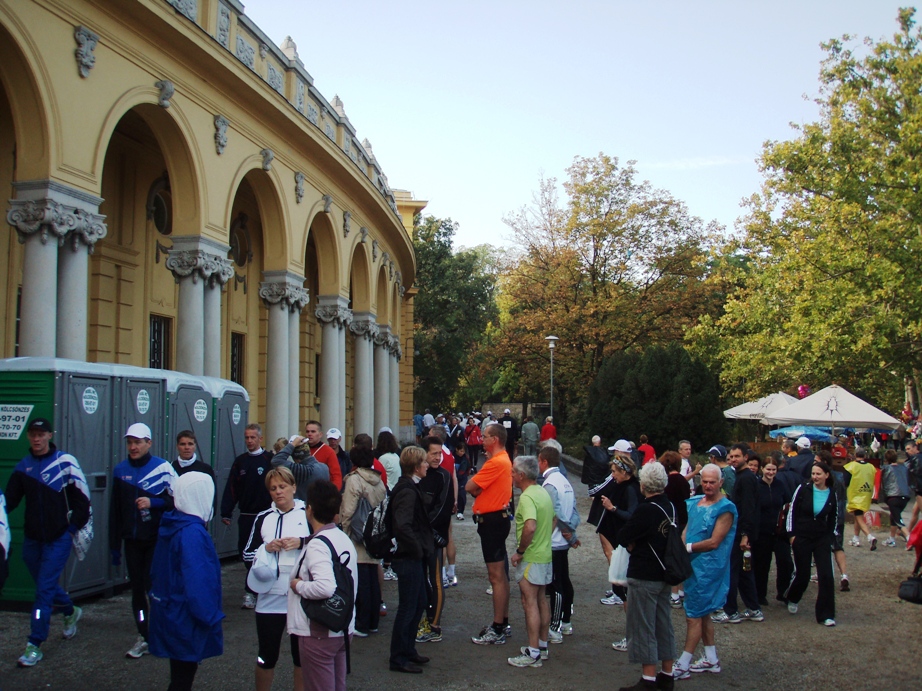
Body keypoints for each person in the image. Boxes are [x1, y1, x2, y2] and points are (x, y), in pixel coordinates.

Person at [5, 417, 90, 667]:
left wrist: (72, 529)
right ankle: (70, 611)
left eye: (41, 434)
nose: (37, 438)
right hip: (32, 539)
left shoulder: (65, 463)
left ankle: (34, 644)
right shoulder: (23, 467)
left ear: (50, 435)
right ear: (29, 437)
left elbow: (82, 500)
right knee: (46, 584)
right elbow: (9, 501)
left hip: (59, 537)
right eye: (33, 434)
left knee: (43, 589)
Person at [148, 471, 224, 691]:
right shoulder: (192, 533)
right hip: (186, 617)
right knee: (183, 677)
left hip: (170, 610)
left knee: (179, 673)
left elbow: (156, 571)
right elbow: (199, 580)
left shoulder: (173, 524)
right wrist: (210, 616)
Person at [111, 422, 178, 659]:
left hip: (156, 540)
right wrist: (114, 547)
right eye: (130, 442)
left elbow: (179, 501)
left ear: (149, 443)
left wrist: (155, 503)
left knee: (156, 590)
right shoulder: (120, 470)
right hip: (132, 541)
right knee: (137, 591)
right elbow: (115, 511)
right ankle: (144, 635)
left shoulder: (163, 469)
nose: (133, 447)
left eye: (138, 442)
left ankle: (161, 633)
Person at [242, 467, 310, 691]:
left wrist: (302, 542)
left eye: (282, 487)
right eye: (273, 489)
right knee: (266, 655)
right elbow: (246, 554)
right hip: (269, 598)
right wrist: (267, 548)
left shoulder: (307, 514)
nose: (278, 492)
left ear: (293, 487)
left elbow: (326, 544)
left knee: (300, 657)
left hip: (300, 597)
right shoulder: (263, 518)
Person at [288, 480, 359, 690]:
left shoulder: (318, 544)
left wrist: (298, 585)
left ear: (309, 510)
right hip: (343, 627)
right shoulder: (342, 538)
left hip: (319, 630)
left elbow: (325, 587)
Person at [672, 465, 737, 680]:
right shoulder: (694, 503)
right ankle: (711, 658)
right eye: (705, 481)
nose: (708, 485)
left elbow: (714, 542)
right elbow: (686, 531)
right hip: (692, 565)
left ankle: (683, 663)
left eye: (712, 482)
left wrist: (687, 548)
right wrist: (680, 551)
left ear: (721, 483)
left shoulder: (725, 508)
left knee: (694, 615)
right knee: (703, 613)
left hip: (709, 568)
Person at [615, 462, 676, 691]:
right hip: (664, 572)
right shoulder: (668, 506)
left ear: (644, 484)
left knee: (643, 626)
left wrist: (632, 541)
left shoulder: (646, 509)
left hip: (645, 572)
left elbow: (624, 534)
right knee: (663, 624)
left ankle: (648, 678)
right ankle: (667, 673)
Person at [387, 446, 434, 673]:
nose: (427, 465)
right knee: (409, 607)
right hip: (408, 557)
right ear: (416, 466)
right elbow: (402, 525)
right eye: (424, 462)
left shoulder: (409, 487)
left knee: (419, 603)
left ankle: (407, 650)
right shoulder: (407, 490)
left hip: (412, 555)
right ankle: (398, 656)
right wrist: (417, 549)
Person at [467, 423, 514, 645]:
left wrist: (477, 487)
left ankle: (497, 628)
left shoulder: (495, 462)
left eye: (485, 436)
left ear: (494, 439)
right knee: (500, 575)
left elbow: (470, 487)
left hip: (492, 521)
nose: (481, 440)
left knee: (496, 576)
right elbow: (476, 487)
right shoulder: (502, 460)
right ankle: (502, 622)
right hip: (497, 520)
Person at [506, 456, 555, 668]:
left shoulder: (527, 498)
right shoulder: (543, 491)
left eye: (513, 472)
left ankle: (533, 652)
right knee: (541, 599)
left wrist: (520, 551)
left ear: (521, 475)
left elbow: (530, 526)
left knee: (529, 602)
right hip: (544, 554)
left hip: (532, 557)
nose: (512, 475)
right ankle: (542, 647)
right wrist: (544, 539)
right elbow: (553, 519)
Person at [221, 422, 274, 609]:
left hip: (267, 516)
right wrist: (226, 511)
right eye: (247, 437)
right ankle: (253, 588)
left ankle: (255, 591)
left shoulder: (270, 460)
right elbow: (232, 488)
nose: (250, 441)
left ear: (260, 438)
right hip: (246, 515)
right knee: (246, 554)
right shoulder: (240, 461)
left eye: (253, 437)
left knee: (264, 553)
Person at [712, 444, 762, 625]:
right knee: (743, 570)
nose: (733, 459)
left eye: (737, 456)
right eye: (731, 456)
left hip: (741, 532)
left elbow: (748, 509)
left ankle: (730, 610)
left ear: (746, 457)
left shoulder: (747, 478)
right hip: (740, 530)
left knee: (732, 571)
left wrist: (744, 535)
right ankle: (754, 608)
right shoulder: (741, 477)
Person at [340, 445, 387, 636]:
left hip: (357, 533)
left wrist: (344, 530)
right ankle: (373, 620)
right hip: (375, 533)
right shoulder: (379, 481)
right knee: (373, 578)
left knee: (361, 580)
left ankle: (362, 622)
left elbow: (348, 510)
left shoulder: (355, 480)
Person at [591, 442, 641, 624]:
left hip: (626, 542)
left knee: (628, 592)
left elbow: (632, 515)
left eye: (614, 472)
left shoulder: (630, 488)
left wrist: (612, 509)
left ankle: (632, 634)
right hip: (621, 538)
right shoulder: (623, 486)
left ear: (624, 472)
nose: (612, 475)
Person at [785, 461, 838, 626]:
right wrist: (791, 535)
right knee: (803, 574)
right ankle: (793, 596)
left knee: (826, 575)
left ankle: (826, 614)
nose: (815, 477)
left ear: (826, 475)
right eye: (813, 474)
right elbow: (792, 511)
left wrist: (830, 536)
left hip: (821, 538)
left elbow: (834, 516)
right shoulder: (803, 489)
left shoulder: (832, 493)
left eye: (818, 474)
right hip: (802, 536)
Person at [538, 445, 579, 642]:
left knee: (556, 584)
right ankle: (566, 621)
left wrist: (567, 533)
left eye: (539, 461)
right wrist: (571, 532)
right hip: (563, 540)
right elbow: (574, 512)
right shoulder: (565, 482)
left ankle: (555, 627)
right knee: (564, 580)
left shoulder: (549, 484)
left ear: (544, 462)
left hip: (554, 541)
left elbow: (554, 513)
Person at [416, 436, 454, 644]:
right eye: (434, 453)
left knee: (436, 580)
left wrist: (426, 528)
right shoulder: (418, 474)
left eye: (440, 453)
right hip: (417, 538)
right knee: (420, 579)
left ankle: (435, 625)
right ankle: (423, 618)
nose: (438, 457)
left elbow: (443, 509)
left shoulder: (443, 477)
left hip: (434, 538)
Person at [752, 455, 794, 606]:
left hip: (779, 532)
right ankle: (760, 594)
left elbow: (789, 503)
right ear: (762, 469)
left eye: (773, 470)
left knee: (785, 562)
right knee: (762, 564)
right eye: (768, 469)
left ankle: (783, 591)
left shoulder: (780, 485)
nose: (770, 472)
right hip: (762, 531)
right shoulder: (756, 486)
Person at [660, 451, 690, 608]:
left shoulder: (666, 482)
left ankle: (674, 594)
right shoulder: (682, 481)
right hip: (684, 520)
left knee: (671, 556)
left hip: (672, 522)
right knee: (680, 555)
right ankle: (681, 591)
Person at [844, 448, 879, 550]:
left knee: (859, 518)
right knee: (858, 516)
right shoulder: (871, 467)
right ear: (865, 456)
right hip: (866, 494)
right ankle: (856, 538)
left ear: (855, 455)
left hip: (855, 495)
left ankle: (870, 537)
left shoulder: (851, 466)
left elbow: (845, 482)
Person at [880, 449, 912, 545]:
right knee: (894, 516)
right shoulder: (904, 468)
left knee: (898, 520)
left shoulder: (885, 469)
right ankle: (892, 538)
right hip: (905, 496)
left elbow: (883, 484)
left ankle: (909, 538)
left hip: (893, 496)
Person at [300, 420, 342, 490]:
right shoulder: (301, 449)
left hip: (321, 492)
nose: (309, 434)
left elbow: (336, 476)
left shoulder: (328, 451)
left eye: (313, 431)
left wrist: (333, 493)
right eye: (307, 431)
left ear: (320, 434)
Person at [454, 440, 471, 520]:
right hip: (454, 478)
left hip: (462, 478)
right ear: (457, 449)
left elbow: (467, 468)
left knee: (462, 494)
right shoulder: (452, 456)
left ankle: (460, 511)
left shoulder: (465, 459)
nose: (462, 453)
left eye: (463, 451)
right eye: (461, 451)